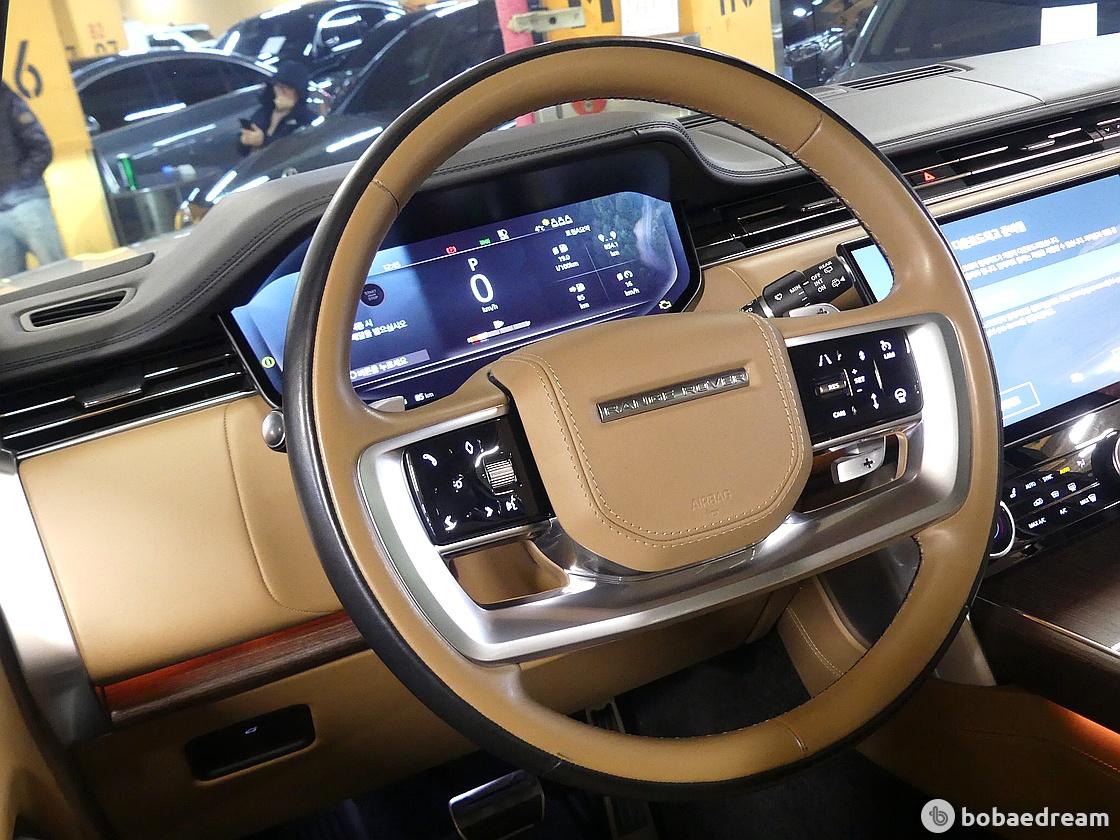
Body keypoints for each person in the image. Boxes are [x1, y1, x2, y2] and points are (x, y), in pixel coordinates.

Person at [0, 82, 65, 277]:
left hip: (27, 200)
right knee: (9, 286)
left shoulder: (7, 100)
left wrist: (19, 179)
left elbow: (42, 148)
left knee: (59, 274)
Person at [238, 60, 315, 154]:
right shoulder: (265, 111)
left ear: (299, 92)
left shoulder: (306, 120)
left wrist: (264, 141)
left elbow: (290, 149)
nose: (281, 92)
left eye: (288, 88)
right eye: (278, 86)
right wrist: (245, 140)